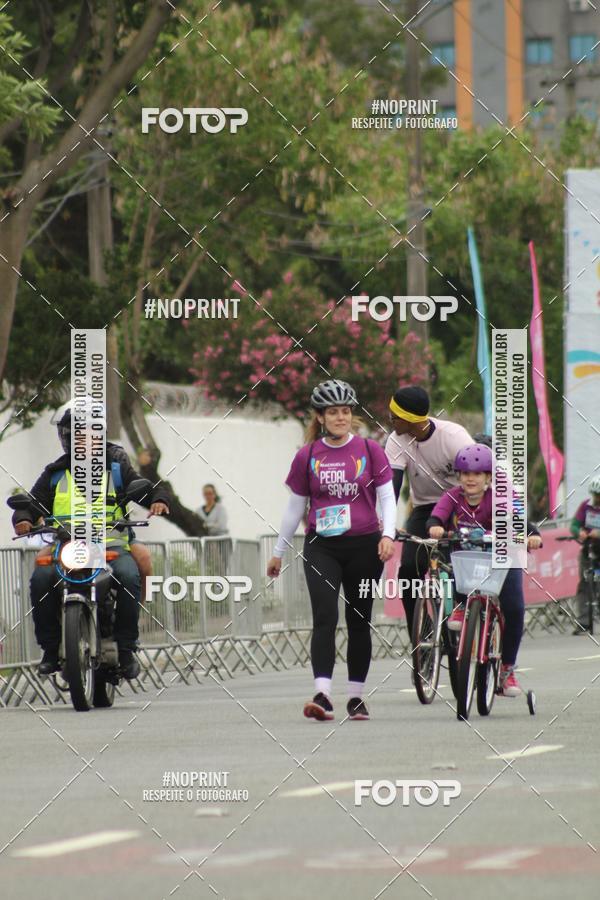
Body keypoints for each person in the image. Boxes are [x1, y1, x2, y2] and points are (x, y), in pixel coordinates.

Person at [10, 402, 170, 679]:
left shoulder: (116, 468)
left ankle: (126, 648)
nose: (77, 439)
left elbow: (147, 489)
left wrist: (157, 500)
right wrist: (23, 518)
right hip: (66, 545)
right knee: (40, 579)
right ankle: (49, 650)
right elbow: (33, 503)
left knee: (129, 575)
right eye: (72, 433)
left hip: (111, 545)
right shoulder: (55, 472)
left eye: (83, 433)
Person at [266, 380, 396, 721]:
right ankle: (322, 694)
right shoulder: (307, 456)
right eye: (333, 412)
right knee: (324, 617)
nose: (341, 418)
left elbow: (387, 498)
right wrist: (278, 551)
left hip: (366, 546)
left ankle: (356, 697)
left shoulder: (370, 450)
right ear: (320, 417)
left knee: (359, 620)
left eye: (346, 412)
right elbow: (295, 508)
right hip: (322, 546)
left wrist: (389, 535)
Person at [427, 443, 542, 696]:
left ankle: (507, 669)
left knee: (514, 608)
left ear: (489, 477)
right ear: (459, 475)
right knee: (450, 560)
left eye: (477, 473)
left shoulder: (500, 497)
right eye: (466, 473)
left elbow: (518, 521)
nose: (471, 478)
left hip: (504, 559)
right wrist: (435, 526)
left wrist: (531, 535)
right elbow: (436, 517)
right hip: (470, 560)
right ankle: (459, 607)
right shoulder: (452, 497)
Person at [384, 385, 474, 641]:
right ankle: (421, 635)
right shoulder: (396, 440)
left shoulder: (454, 436)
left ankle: (462, 613)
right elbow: (392, 486)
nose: (390, 421)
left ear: (411, 419)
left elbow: (479, 473)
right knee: (409, 570)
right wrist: (387, 528)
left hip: (460, 504)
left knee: (456, 564)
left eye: (394, 416)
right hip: (424, 508)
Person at [570, 476, 600, 634]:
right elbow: (574, 525)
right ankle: (583, 621)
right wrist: (579, 532)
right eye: (595, 494)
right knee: (584, 583)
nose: (597, 498)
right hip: (588, 549)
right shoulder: (585, 506)